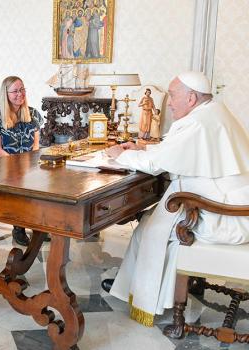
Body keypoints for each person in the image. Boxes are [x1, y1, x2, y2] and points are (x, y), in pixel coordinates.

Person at [102, 71, 249, 327]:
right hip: (231, 207)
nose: (168, 102)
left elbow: (155, 164)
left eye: (172, 95)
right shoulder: (212, 112)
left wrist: (119, 154)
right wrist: (143, 147)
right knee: (149, 223)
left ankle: (146, 295)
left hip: (226, 218)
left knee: (151, 227)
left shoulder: (198, 122)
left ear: (191, 97)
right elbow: (175, 150)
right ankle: (133, 288)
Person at [0, 76, 44, 246]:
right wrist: (19, 166)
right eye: (15, 91)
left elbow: (36, 145)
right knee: (20, 182)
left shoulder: (33, 114)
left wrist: (31, 165)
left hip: (28, 163)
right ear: (5, 94)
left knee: (46, 182)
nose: (20, 94)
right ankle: (19, 227)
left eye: (22, 89)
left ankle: (41, 227)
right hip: (0, 164)